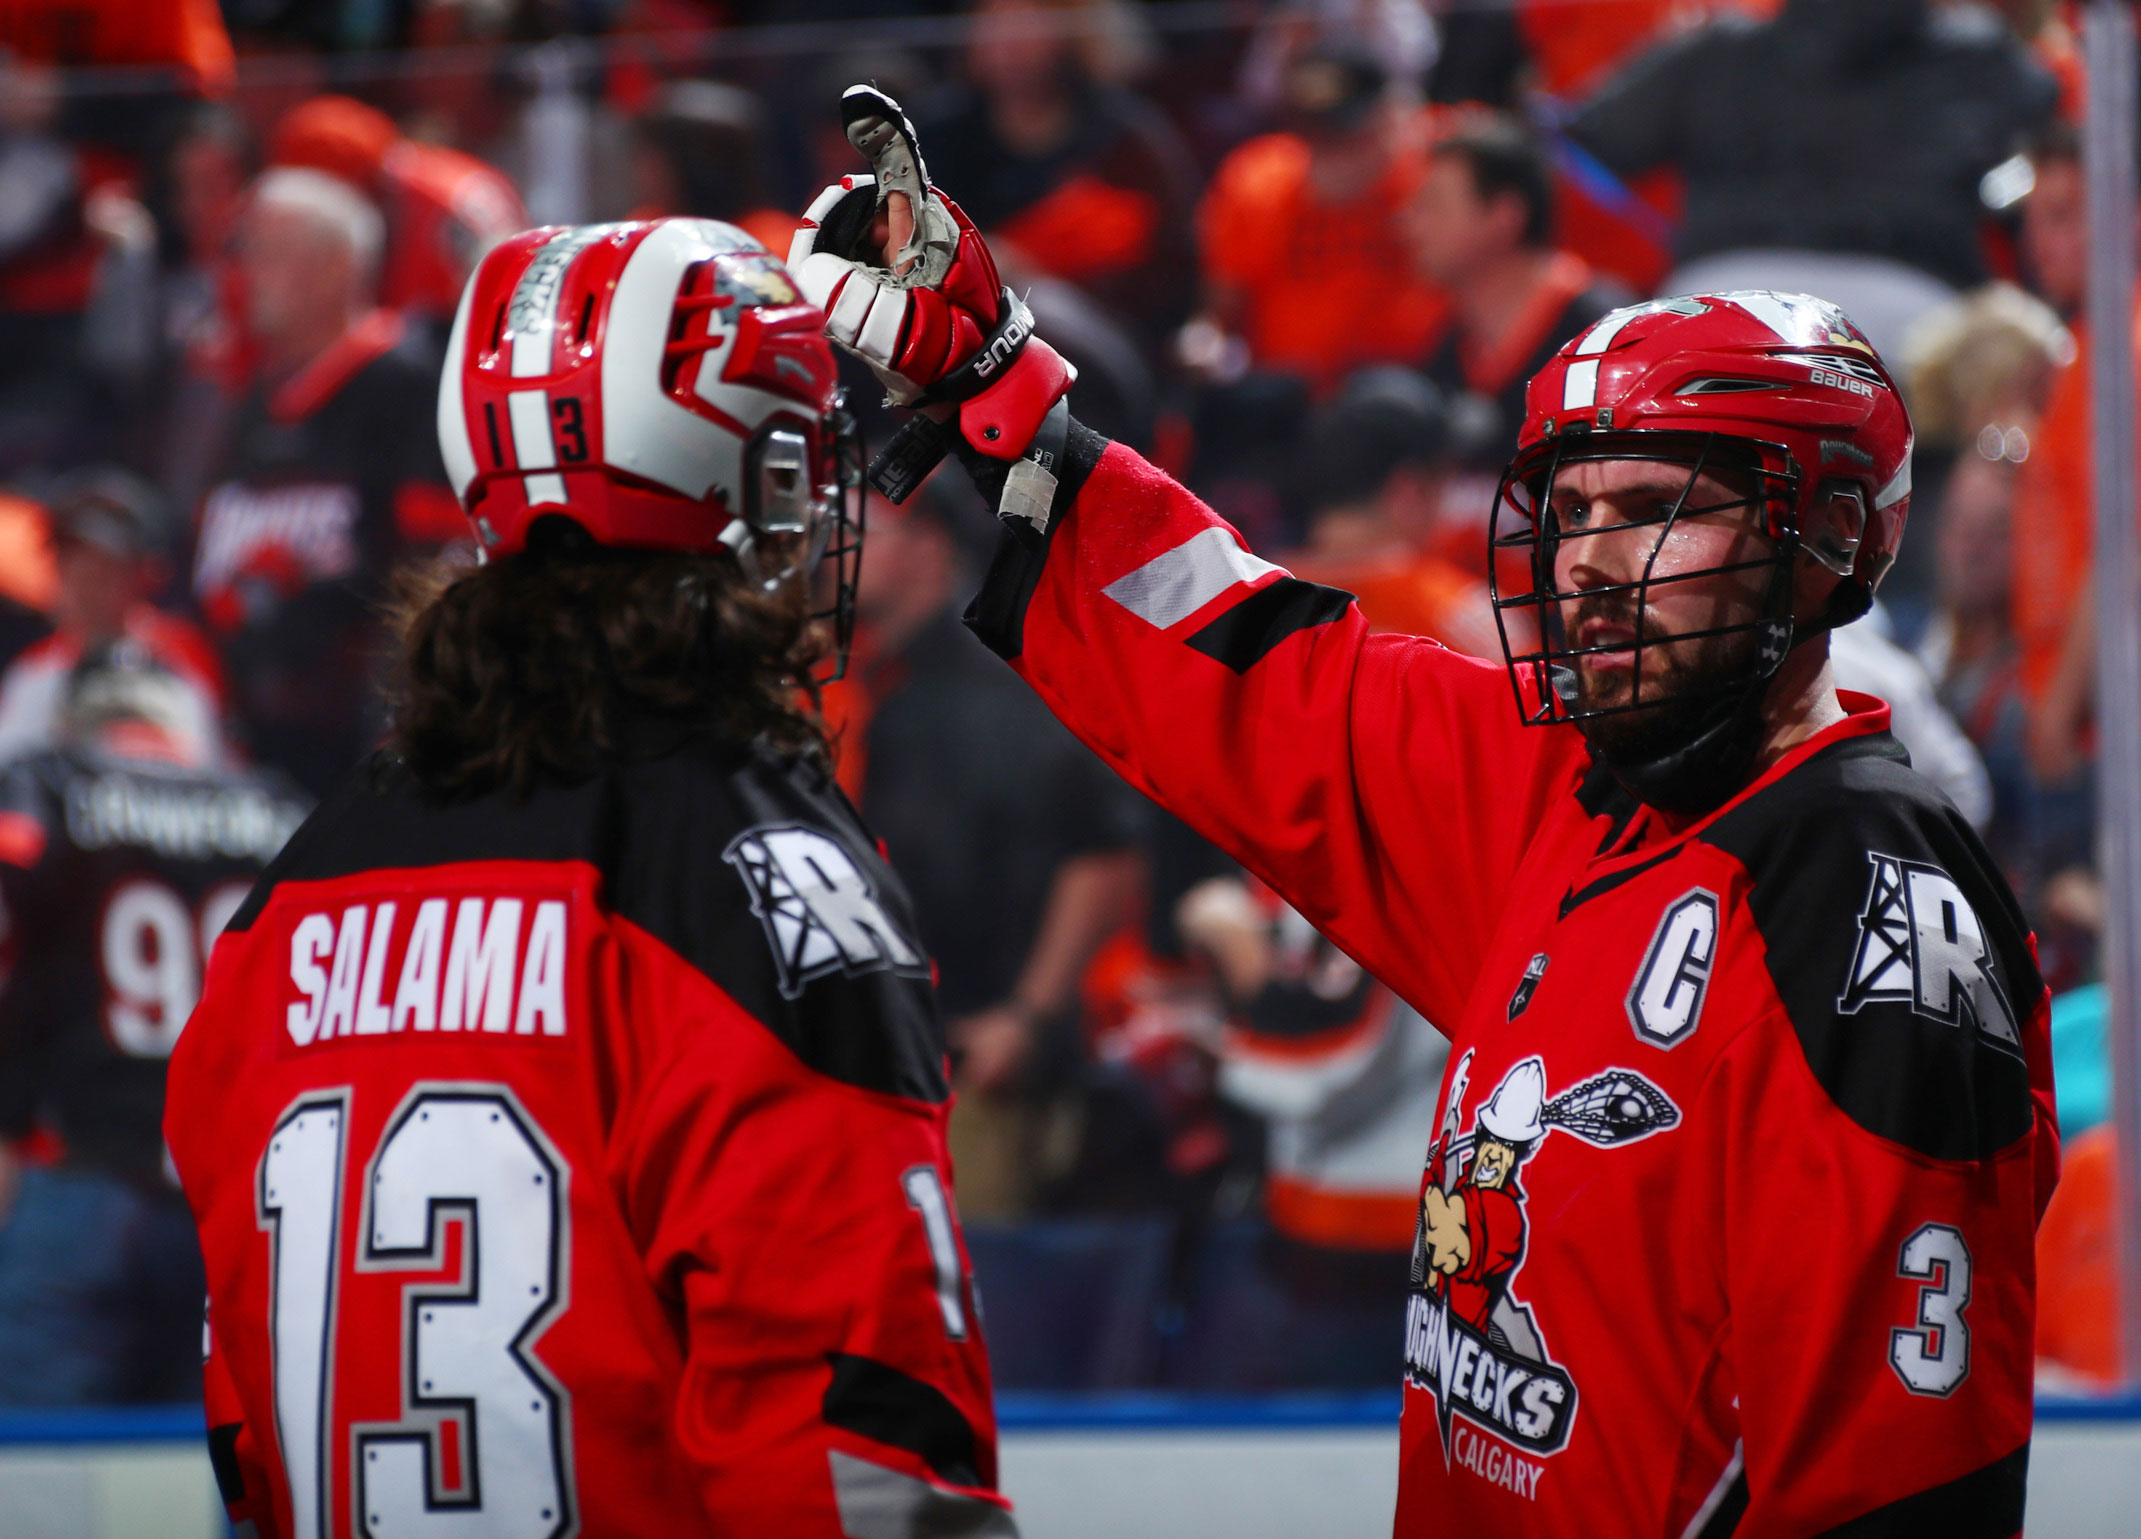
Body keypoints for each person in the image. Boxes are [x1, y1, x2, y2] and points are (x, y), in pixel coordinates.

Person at [796, 88, 2055, 1535]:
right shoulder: (1571, 790)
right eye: (1570, 511)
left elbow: (1897, 1478)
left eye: (1650, 506)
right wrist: (1010, 406)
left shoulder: (1868, 906)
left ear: (1832, 535)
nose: (1588, 562)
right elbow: (1256, 662)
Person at [167, 218, 1015, 1537]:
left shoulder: (284, 905)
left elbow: (246, 1427)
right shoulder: (756, 872)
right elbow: (853, 1448)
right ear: (765, 485)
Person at [0, 642, 307, 1405]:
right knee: (215, 1471)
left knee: (48, 1485)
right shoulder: (278, 807)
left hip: (87, 1176)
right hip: (243, 1203)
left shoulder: (48, 784)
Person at [846, 482, 1146, 1217]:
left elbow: (1106, 852)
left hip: (982, 1075)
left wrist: (1027, 1016)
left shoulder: (998, 673)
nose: (839, 548)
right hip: (912, 1056)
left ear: (929, 545)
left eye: (868, 527)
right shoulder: (901, 682)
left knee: (973, 1297)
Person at [191, 167, 459, 796]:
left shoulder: (409, 386)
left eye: (270, 253)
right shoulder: (253, 399)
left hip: (360, 750)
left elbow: (438, 572)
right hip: (244, 746)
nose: (247, 272)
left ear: (338, 266)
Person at [1189, 41, 1448, 390]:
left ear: (1394, 117)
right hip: (1291, 402)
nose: (1327, 155)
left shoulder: (1439, 171)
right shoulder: (1259, 181)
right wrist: (1203, 347)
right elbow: (1218, 317)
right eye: (1314, 136)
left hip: (1417, 388)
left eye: (1346, 137)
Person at [1405, 115, 1630, 477]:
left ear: (1504, 216)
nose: (1411, 223)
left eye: (1435, 205)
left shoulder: (1603, 334)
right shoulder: (1446, 354)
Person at [0, 467, 225, 764]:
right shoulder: (34, 670)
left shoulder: (179, 654)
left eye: (101, 573)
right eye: (68, 565)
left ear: (147, 574)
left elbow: (209, 772)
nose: (80, 586)